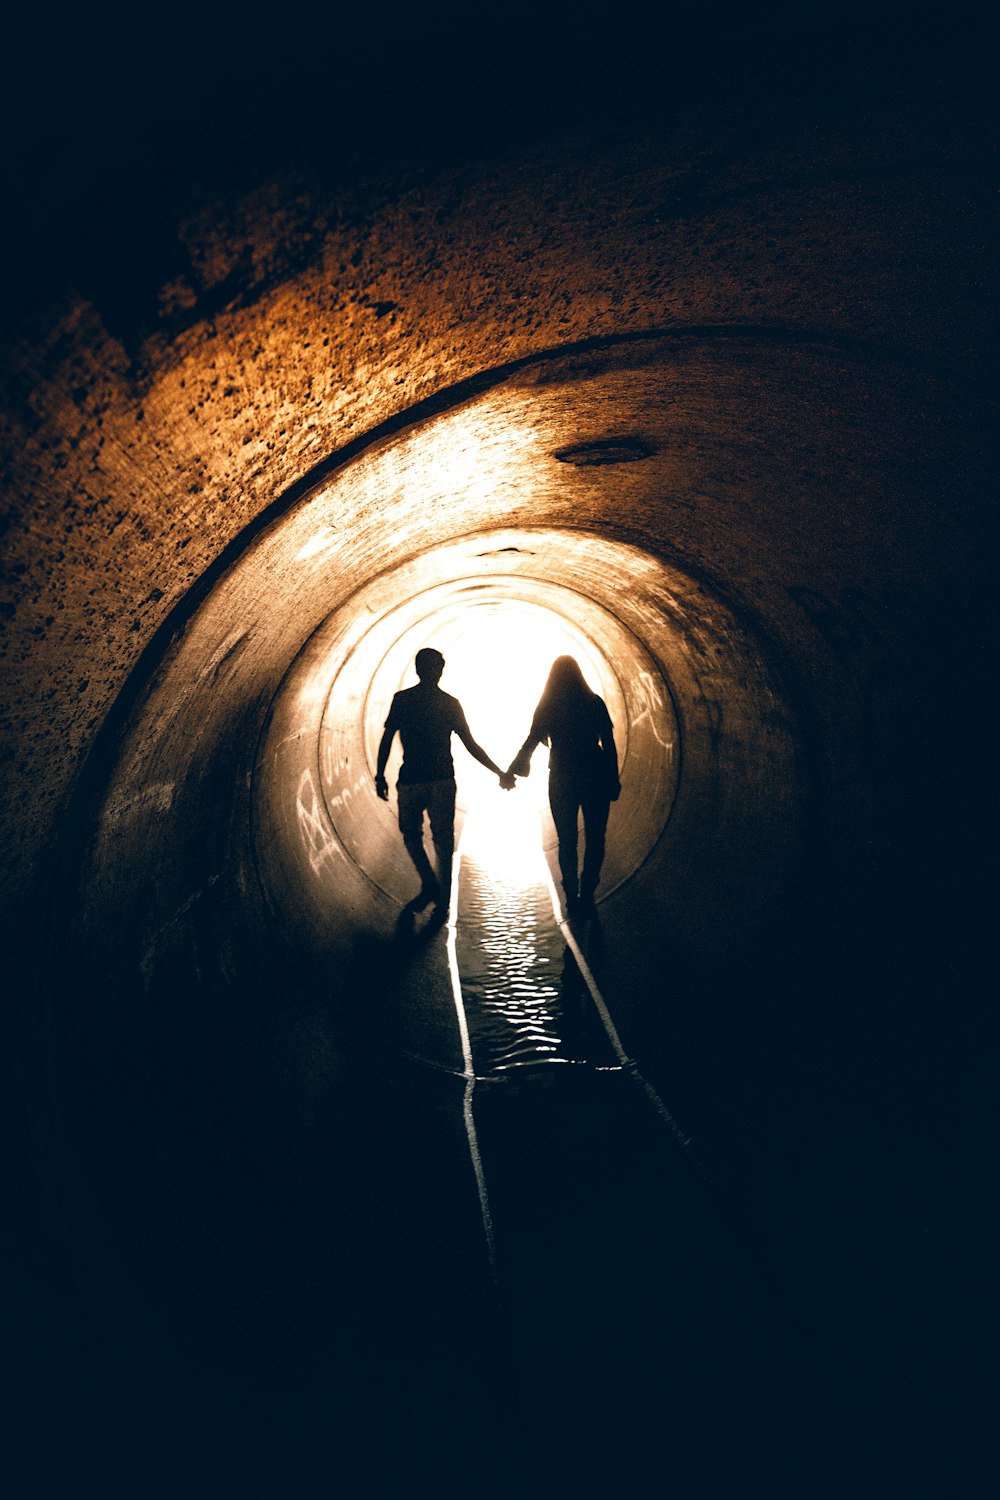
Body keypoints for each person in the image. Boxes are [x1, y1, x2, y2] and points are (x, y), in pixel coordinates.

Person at [375, 647, 514, 911]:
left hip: (411, 779)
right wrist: (500, 772)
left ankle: (429, 884)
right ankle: (443, 901)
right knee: (443, 840)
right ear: (440, 670)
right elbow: (471, 745)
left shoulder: (402, 700)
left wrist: (380, 774)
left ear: (417, 669)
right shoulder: (450, 703)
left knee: (411, 834)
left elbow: (387, 738)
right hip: (441, 780)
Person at [507, 655, 620, 916]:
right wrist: (613, 779)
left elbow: (531, 741)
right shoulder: (594, 703)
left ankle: (571, 895)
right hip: (595, 774)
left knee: (566, 840)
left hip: (562, 776)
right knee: (595, 838)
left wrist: (511, 771)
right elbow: (609, 744)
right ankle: (588, 893)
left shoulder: (548, 705)